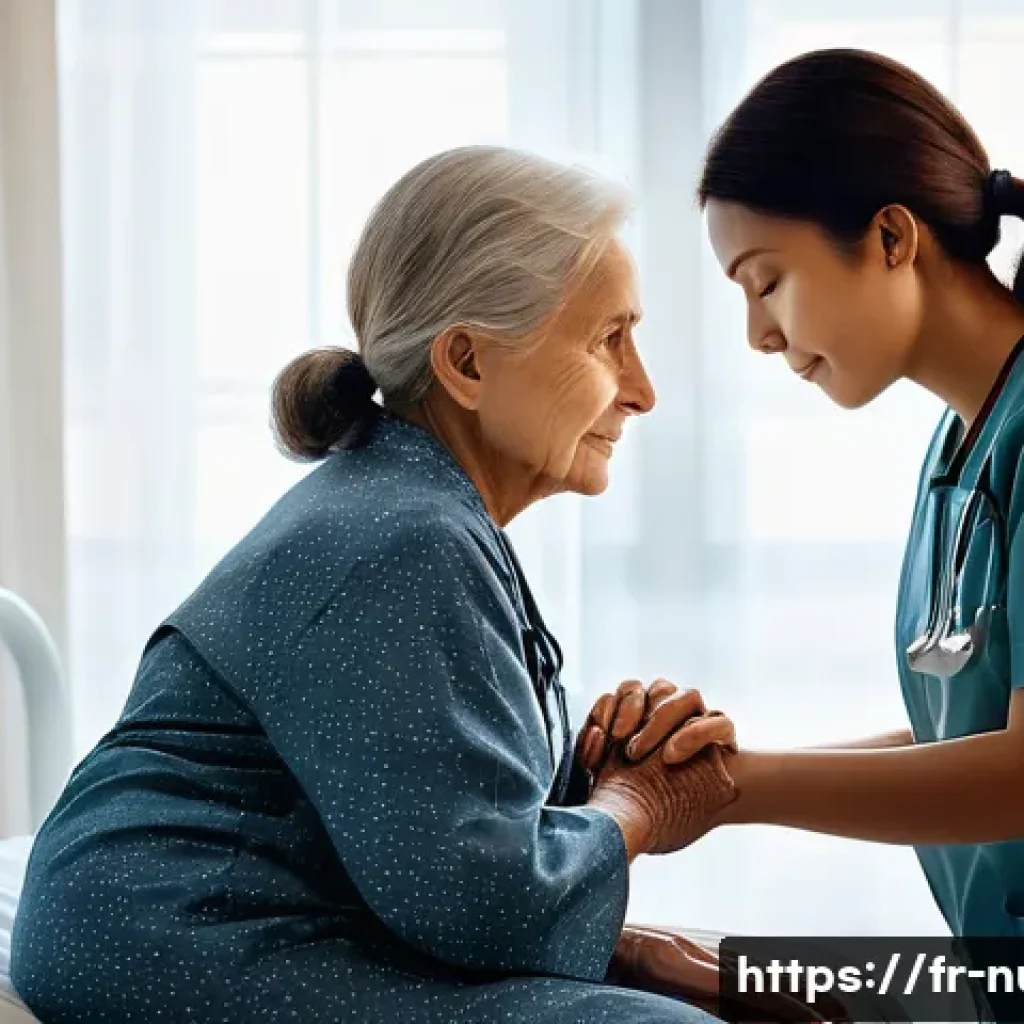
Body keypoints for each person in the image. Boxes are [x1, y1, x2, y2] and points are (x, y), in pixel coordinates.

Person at [10, 146, 742, 1024]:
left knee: (733, 986)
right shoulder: (405, 535)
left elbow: (429, 835)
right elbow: (482, 902)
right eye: (607, 340)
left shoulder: (411, 507)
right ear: (467, 363)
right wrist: (641, 806)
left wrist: (594, 772)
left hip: (213, 922)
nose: (643, 390)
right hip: (177, 934)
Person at [583, 45, 1024, 1021]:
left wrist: (734, 788)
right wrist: (713, 768)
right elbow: (959, 734)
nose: (759, 336)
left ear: (891, 237)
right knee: (692, 964)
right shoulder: (959, 450)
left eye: (766, 281)